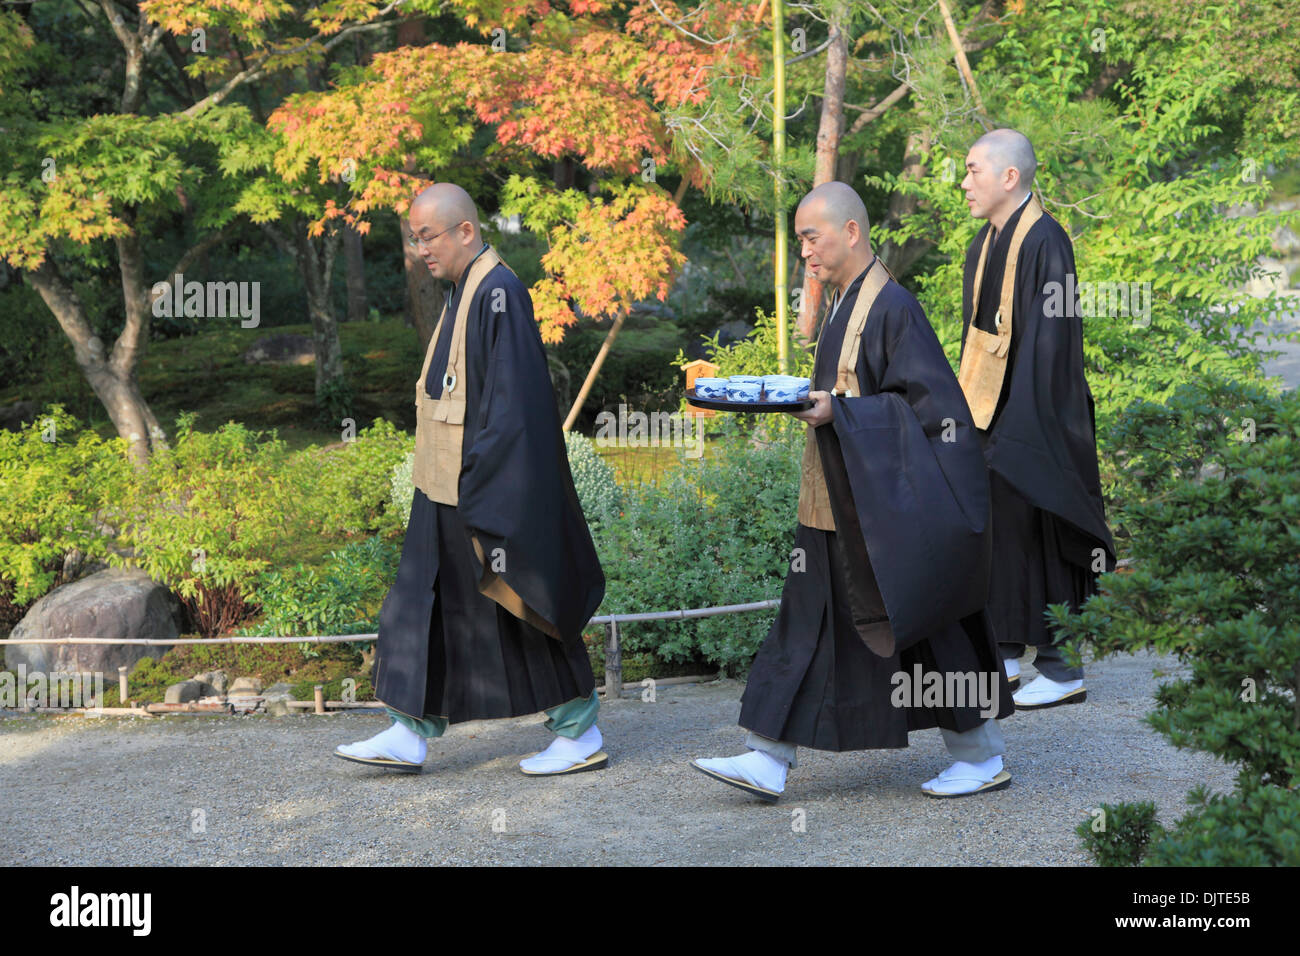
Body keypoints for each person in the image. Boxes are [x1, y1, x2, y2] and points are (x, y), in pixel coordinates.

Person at [693, 182, 1013, 801]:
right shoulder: (845, 302)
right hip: (835, 499)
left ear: (851, 232)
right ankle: (769, 756)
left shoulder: (894, 307)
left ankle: (979, 756)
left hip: (881, 507)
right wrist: (816, 405)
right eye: (801, 241)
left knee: (928, 623)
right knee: (803, 624)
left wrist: (840, 415)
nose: (805, 253)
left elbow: (932, 413)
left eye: (811, 238)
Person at [335, 182, 607, 775]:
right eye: (414, 240)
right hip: (442, 484)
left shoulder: (499, 291)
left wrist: (488, 487)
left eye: (428, 236)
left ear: (465, 230)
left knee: (515, 600)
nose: (420, 251)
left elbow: (515, 405)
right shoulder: (467, 290)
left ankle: (579, 731)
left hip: (477, 485)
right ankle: (409, 730)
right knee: (421, 602)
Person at [958, 129, 1116, 709]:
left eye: (974, 171)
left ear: (1010, 177)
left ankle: (1060, 664)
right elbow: (976, 339)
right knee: (997, 532)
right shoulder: (985, 242)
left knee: (1043, 527)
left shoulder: (1047, 239)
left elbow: (1053, 341)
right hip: (989, 409)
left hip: (1041, 409)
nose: (965, 182)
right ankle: (1002, 650)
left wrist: (1022, 427)